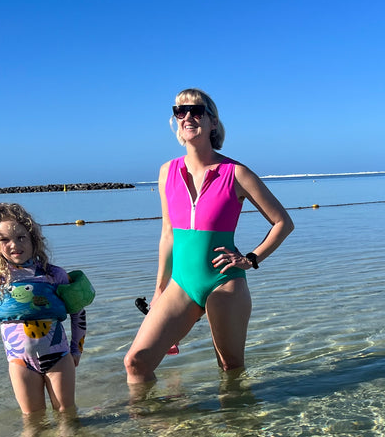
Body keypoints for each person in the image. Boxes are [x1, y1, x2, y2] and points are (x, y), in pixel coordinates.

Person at [124, 88, 293, 388]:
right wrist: (160, 289)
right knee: (136, 363)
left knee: (230, 371)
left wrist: (250, 259)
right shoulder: (167, 172)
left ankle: (236, 430)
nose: (188, 116)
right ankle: (152, 429)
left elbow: (283, 222)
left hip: (224, 283)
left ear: (213, 122)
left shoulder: (236, 173)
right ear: (175, 120)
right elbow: (167, 234)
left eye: (197, 111)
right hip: (181, 284)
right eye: (180, 111)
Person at [0, 202, 89, 429]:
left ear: (33, 239)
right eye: (5, 240)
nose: (14, 245)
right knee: (33, 425)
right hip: (20, 363)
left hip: (58, 357)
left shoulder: (53, 275)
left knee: (67, 420)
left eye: (21, 237)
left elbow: (78, 312)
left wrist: (76, 349)